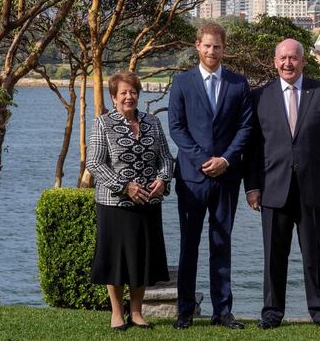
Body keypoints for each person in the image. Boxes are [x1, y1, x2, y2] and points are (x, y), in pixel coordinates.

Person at [245, 38, 320, 331]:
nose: (288, 63)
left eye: (293, 58)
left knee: (314, 256)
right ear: (274, 62)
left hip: (314, 190)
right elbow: (252, 147)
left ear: (303, 61)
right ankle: (272, 312)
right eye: (282, 58)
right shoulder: (259, 96)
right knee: (273, 257)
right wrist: (251, 187)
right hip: (272, 189)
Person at [168, 22, 252, 330]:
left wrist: (226, 160)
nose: (212, 51)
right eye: (207, 45)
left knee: (221, 244)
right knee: (189, 246)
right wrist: (205, 161)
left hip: (226, 178)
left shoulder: (238, 84)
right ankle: (185, 312)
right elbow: (176, 127)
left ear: (224, 48)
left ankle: (222, 311)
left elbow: (246, 128)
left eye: (217, 46)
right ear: (197, 47)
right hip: (192, 178)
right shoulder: (182, 83)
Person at [86, 71, 173, 331]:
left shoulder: (153, 123)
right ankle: (116, 314)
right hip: (114, 204)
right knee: (116, 260)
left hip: (148, 203)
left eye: (133, 92)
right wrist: (125, 187)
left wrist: (162, 180)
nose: (128, 97)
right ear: (113, 97)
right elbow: (94, 163)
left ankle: (137, 313)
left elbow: (167, 158)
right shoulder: (103, 123)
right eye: (123, 93)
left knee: (141, 258)